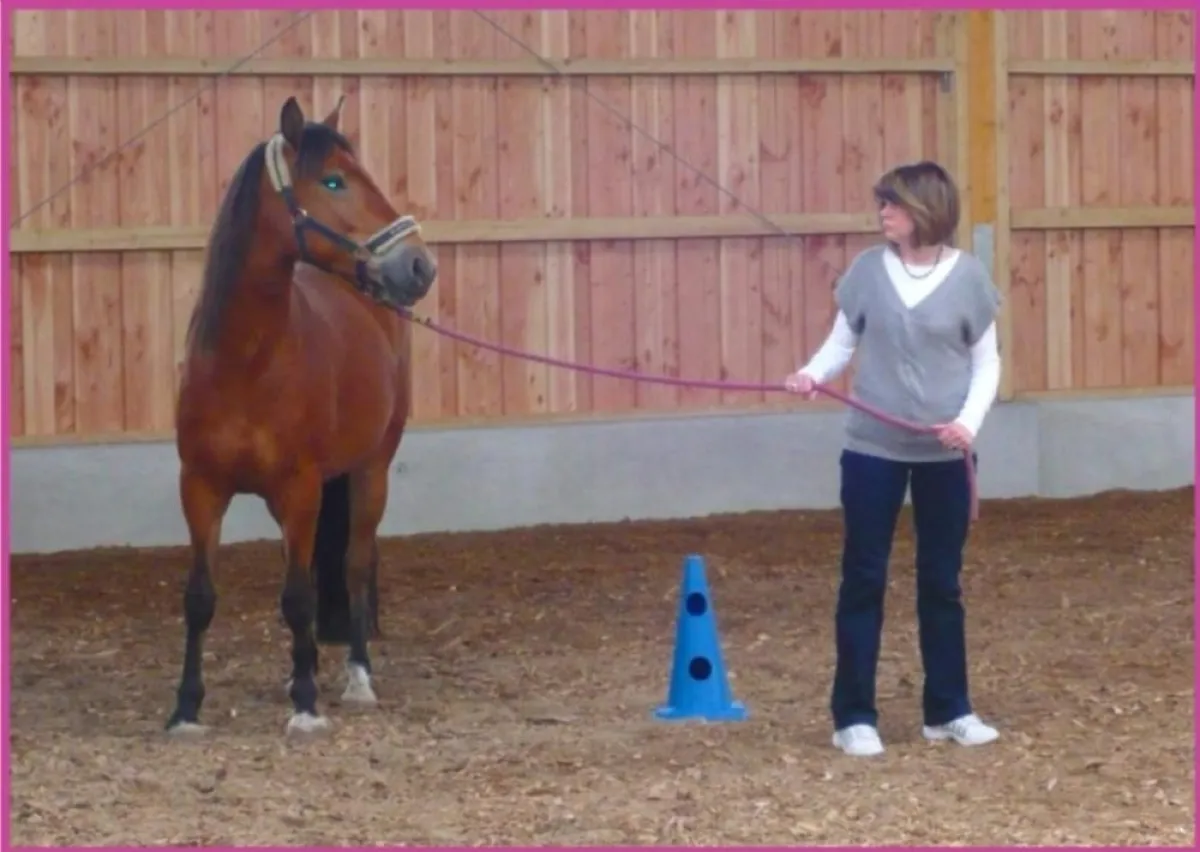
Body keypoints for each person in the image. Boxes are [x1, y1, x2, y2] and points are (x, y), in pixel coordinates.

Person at [785, 160, 1002, 758]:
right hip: (872, 451)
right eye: (882, 203)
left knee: (941, 582)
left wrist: (967, 424)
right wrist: (810, 374)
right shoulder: (866, 273)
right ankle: (853, 716)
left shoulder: (969, 279)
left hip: (944, 456)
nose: (883, 212)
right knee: (863, 576)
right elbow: (842, 341)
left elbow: (987, 363)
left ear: (926, 209)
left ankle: (948, 710)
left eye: (894, 204)